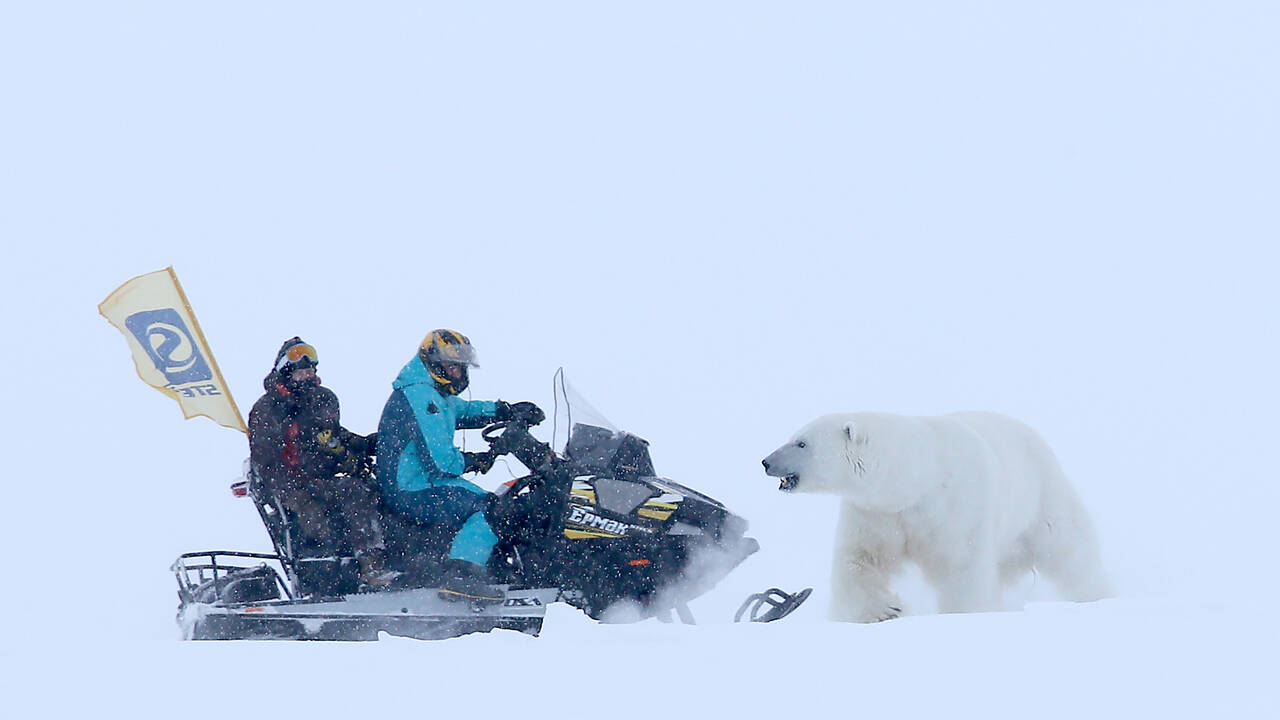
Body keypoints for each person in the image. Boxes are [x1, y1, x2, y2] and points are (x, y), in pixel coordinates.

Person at [376, 329, 543, 603]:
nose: (459, 374)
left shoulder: (431, 393)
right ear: (434, 363)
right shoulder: (421, 397)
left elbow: (462, 410)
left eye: (461, 367)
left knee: (495, 501)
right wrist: (476, 460)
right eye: (453, 367)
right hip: (411, 487)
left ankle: (491, 569)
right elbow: (441, 463)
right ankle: (461, 577)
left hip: (419, 482)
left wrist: (504, 410)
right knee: (491, 509)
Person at [248, 337, 395, 590]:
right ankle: (368, 568)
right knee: (349, 497)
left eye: (311, 369)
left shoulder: (323, 399)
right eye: (302, 369)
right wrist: (297, 494)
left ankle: (385, 564)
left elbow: (332, 435)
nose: (308, 374)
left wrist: (373, 444)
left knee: (374, 490)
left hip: (325, 480)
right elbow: (267, 461)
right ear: (286, 370)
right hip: (294, 484)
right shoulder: (267, 409)